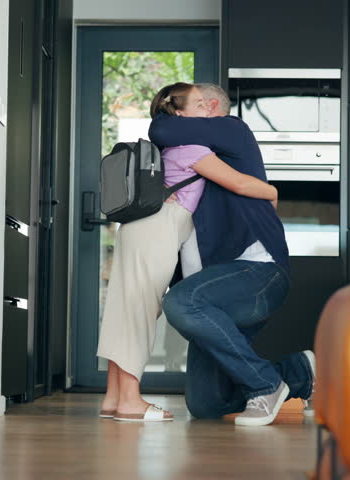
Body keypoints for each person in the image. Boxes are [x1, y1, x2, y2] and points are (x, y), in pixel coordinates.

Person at [97, 82, 279, 422]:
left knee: (127, 309)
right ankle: (131, 400)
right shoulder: (192, 149)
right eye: (198, 105)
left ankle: (114, 396)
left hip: (142, 227)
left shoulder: (175, 148)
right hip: (158, 228)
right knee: (139, 311)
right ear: (179, 113)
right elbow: (239, 183)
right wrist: (272, 191)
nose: (206, 111)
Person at [149, 83, 315, 426]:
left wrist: (269, 190)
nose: (182, 114)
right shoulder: (186, 154)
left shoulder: (232, 128)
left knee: (180, 303)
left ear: (211, 107)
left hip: (255, 271)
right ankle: (298, 372)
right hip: (211, 291)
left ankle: (265, 384)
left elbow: (160, 126)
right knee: (206, 404)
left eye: (195, 103)